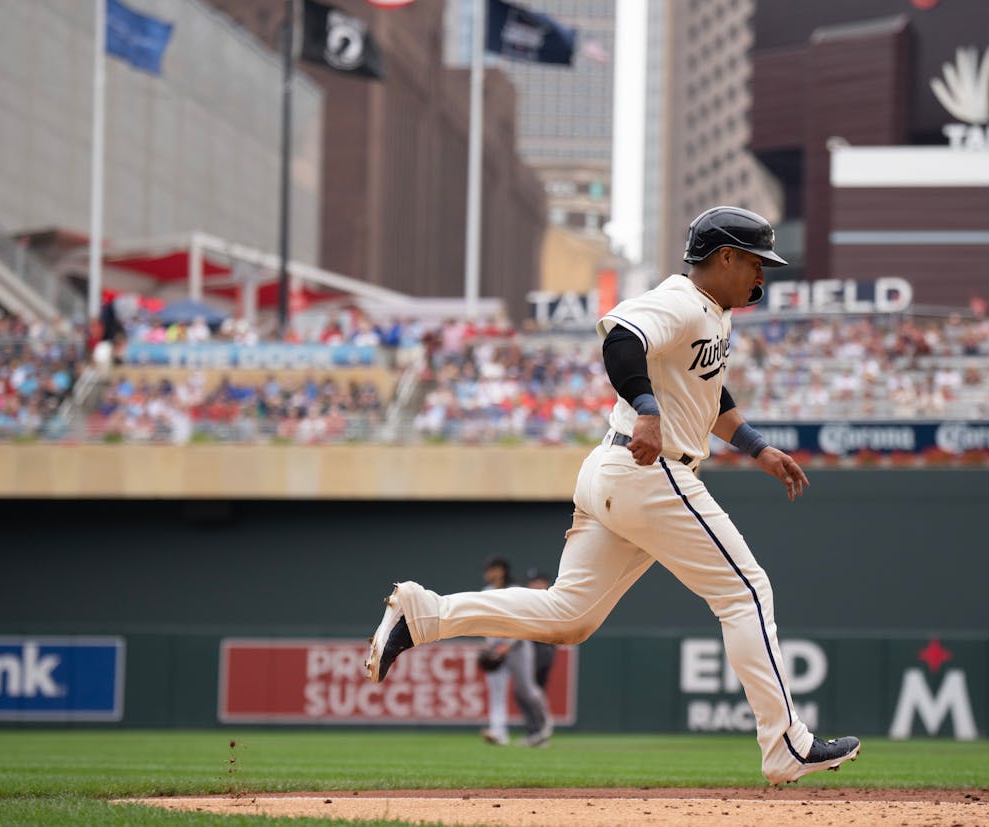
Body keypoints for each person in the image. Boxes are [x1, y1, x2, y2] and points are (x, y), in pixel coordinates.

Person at [365, 206, 861, 785]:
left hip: (616, 469)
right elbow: (621, 338)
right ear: (724, 258)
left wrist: (757, 448)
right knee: (746, 591)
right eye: (755, 263)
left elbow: (709, 392)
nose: (762, 276)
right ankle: (787, 744)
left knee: (567, 616)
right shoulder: (680, 299)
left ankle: (424, 614)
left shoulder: (713, 315)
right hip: (650, 470)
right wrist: (648, 410)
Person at [476, 556, 552, 747]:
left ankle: (544, 722)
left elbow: (523, 621)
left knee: (527, 690)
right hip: (495, 648)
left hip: (517, 647)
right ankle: (498, 732)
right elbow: (485, 621)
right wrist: (488, 643)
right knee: (497, 692)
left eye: (491, 569)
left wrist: (508, 645)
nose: (488, 573)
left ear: (501, 570)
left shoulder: (515, 591)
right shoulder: (485, 592)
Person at [524, 568, 557, 692]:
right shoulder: (524, 601)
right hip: (525, 647)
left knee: (536, 687)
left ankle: (538, 711)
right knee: (524, 689)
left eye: (539, 582)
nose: (536, 585)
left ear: (546, 583)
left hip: (543, 647)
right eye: (533, 582)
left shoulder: (552, 601)